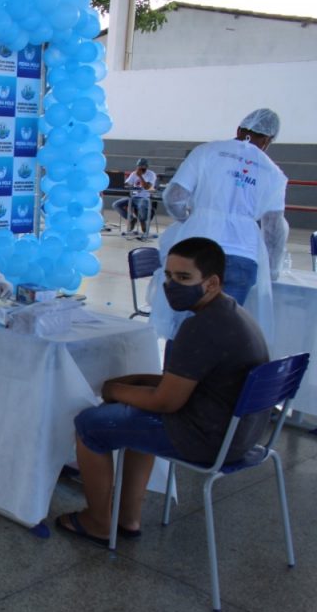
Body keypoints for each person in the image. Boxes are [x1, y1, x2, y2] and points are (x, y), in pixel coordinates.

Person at [56, 237, 269, 545]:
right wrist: (131, 385)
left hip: (208, 439)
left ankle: (98, 522)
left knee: (90, 425)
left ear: (211, 283)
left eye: (183, 278)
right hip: (240, 435)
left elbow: (166, 401)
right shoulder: (232, 312)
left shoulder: (201, 328)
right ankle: (127, 517)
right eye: (168, 276)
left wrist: (114, 390)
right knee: (134, 413)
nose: (172, 285)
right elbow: (179, 381)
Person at [150, 108, 289, 343]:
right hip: (243, 255)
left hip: (199, 249)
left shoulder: (206, 152)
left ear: (239, 129)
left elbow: (173, 197)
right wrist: (273, 269)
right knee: (221, 331)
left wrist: (189, 220)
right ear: (268, 140)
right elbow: (274, 229)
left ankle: (177, 366)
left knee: (185, 328)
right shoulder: (274, 173)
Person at [113, 158, 156, 239]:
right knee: (116, 204)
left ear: (146, 167)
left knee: (142, 205)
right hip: (133, 197)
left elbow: (147, 187)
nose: (140, 168)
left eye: (142, 166)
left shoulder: (151, 174)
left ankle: (142, 220)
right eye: (139, 166)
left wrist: (140, 176)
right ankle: (132, 219)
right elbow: (127, 183)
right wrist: (126, 184)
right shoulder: (134, 173)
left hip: (144, 197)